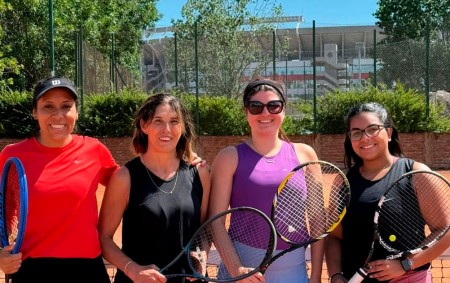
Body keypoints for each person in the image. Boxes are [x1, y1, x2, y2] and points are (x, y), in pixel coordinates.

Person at [0, 76, 120, 282]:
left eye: (66, 106)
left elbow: (131, 184)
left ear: (77, 112)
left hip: (87, 269)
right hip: (32, 270)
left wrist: (183, 162)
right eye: (48, 106)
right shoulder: (12, 155)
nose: (58, 115)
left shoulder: (94, 150)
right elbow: (3, 210)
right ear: (35, 112)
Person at [208, 78, 324, 283]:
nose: (265, 113)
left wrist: (315, 276)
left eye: (274, 106)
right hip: (242, 272)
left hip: (293, 271)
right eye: (256, 107)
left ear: (284, 111)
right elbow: (216, 221)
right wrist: (237, 270)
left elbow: (317, 222)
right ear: (246, 112)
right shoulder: (228, 157)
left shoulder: (306, 154)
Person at [325, 102, 450, 283]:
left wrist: (406, 264)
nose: (365, 137)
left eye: (373, 129)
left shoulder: (416, 173)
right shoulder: (343, 182)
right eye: (356, 132)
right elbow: (335, 237)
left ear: (389, 133)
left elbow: (445, 231)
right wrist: (336, 275)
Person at [98, 93, 211, 283]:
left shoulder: (200, 173)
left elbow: (205, 229)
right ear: (144, 126)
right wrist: (133, 270)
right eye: (158, 121)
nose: (166, 129)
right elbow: (103, 238)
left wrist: (203, 256)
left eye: (174, 121)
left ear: (182, 127)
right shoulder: (124, 177)